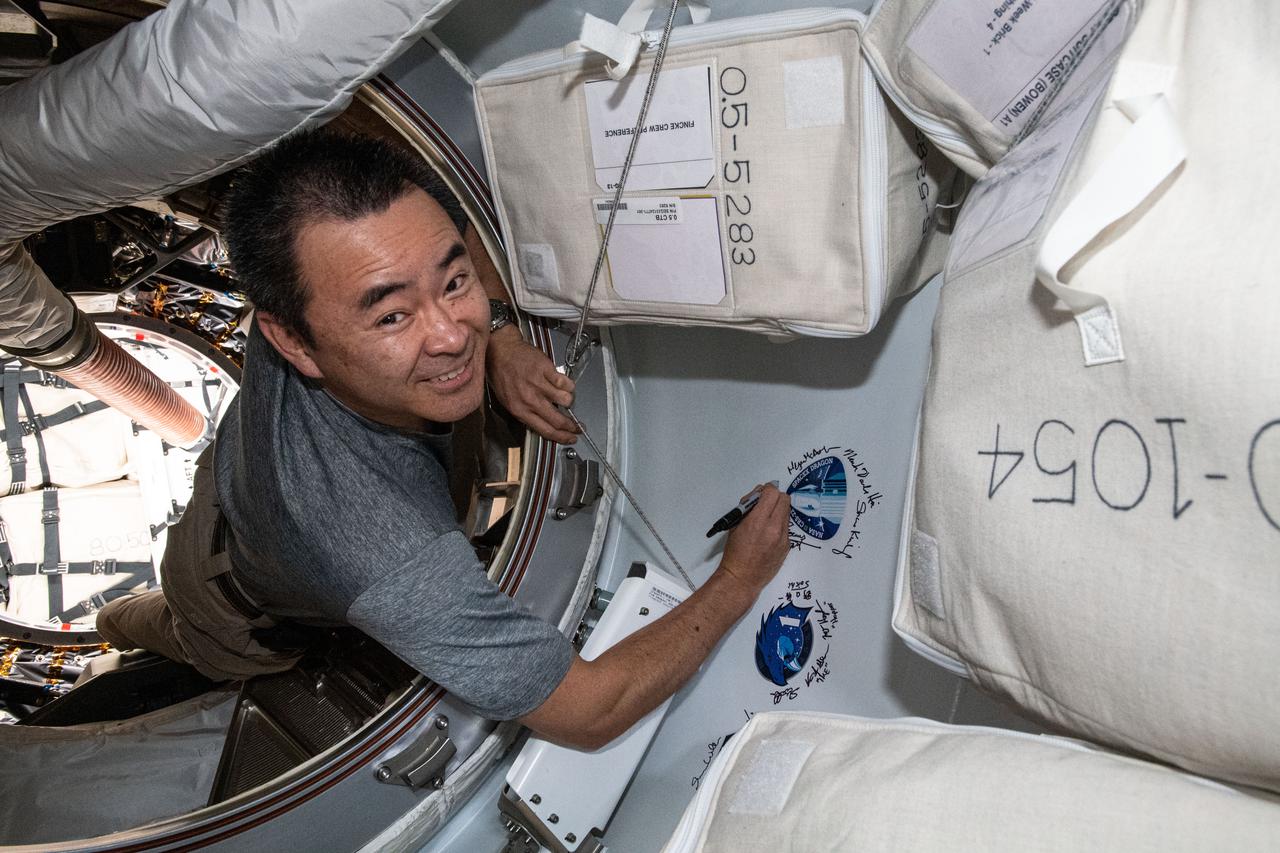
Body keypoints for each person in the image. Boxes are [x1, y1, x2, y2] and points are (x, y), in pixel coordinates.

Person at [96, 129, 790, 750]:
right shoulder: (383, 551)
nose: (454, 334)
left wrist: (505, 338)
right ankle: (112, 626)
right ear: (291, 340)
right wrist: (736, 580)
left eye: (453, 280)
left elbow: (455, 244)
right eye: (394, 314)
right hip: (221, 603)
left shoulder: (322, 266)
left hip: (232, 481)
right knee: (146, 623)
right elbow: (588, 711)